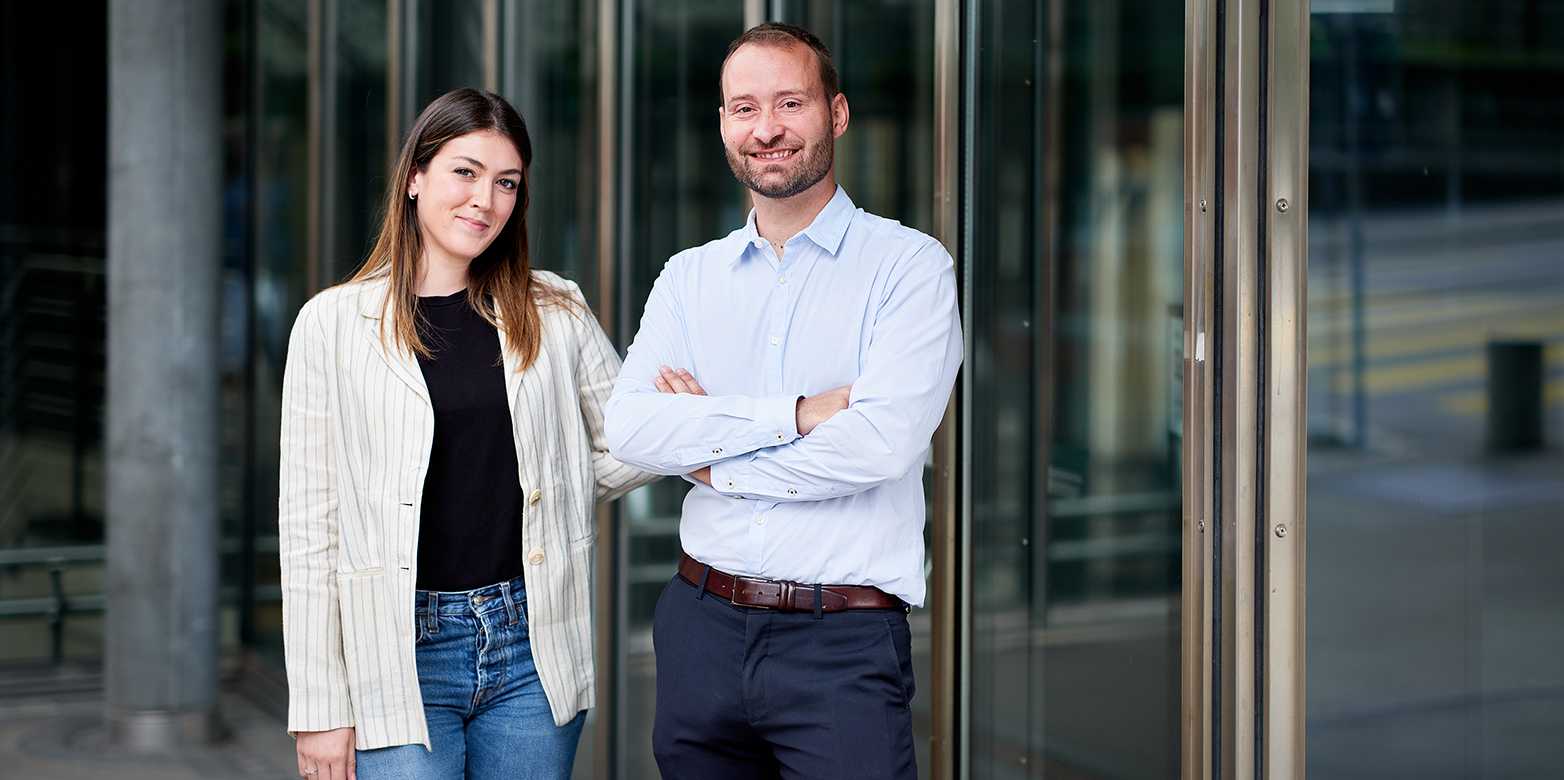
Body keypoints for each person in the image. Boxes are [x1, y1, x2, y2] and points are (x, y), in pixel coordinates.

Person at [603, 22, 963, 780]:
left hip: (841, 643)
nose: (766, 128)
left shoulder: (909, 269)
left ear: (836, 113)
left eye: (789, 102)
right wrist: (794, 416)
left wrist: (709, 459)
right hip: (699, 626)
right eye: (744, 108)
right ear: (724, 124)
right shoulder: (688, 278)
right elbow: (631, 426)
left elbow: (879, 445)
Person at [279, 88, 652, 780]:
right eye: (466, 171)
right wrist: (320, 707)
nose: (486, 199)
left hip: (530, 645)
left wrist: (691, 417)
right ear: (415, 178)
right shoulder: (331, 326)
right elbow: (310, 531)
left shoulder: (555, 308)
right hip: (396, 649)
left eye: (506, 182)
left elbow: (629, 436)